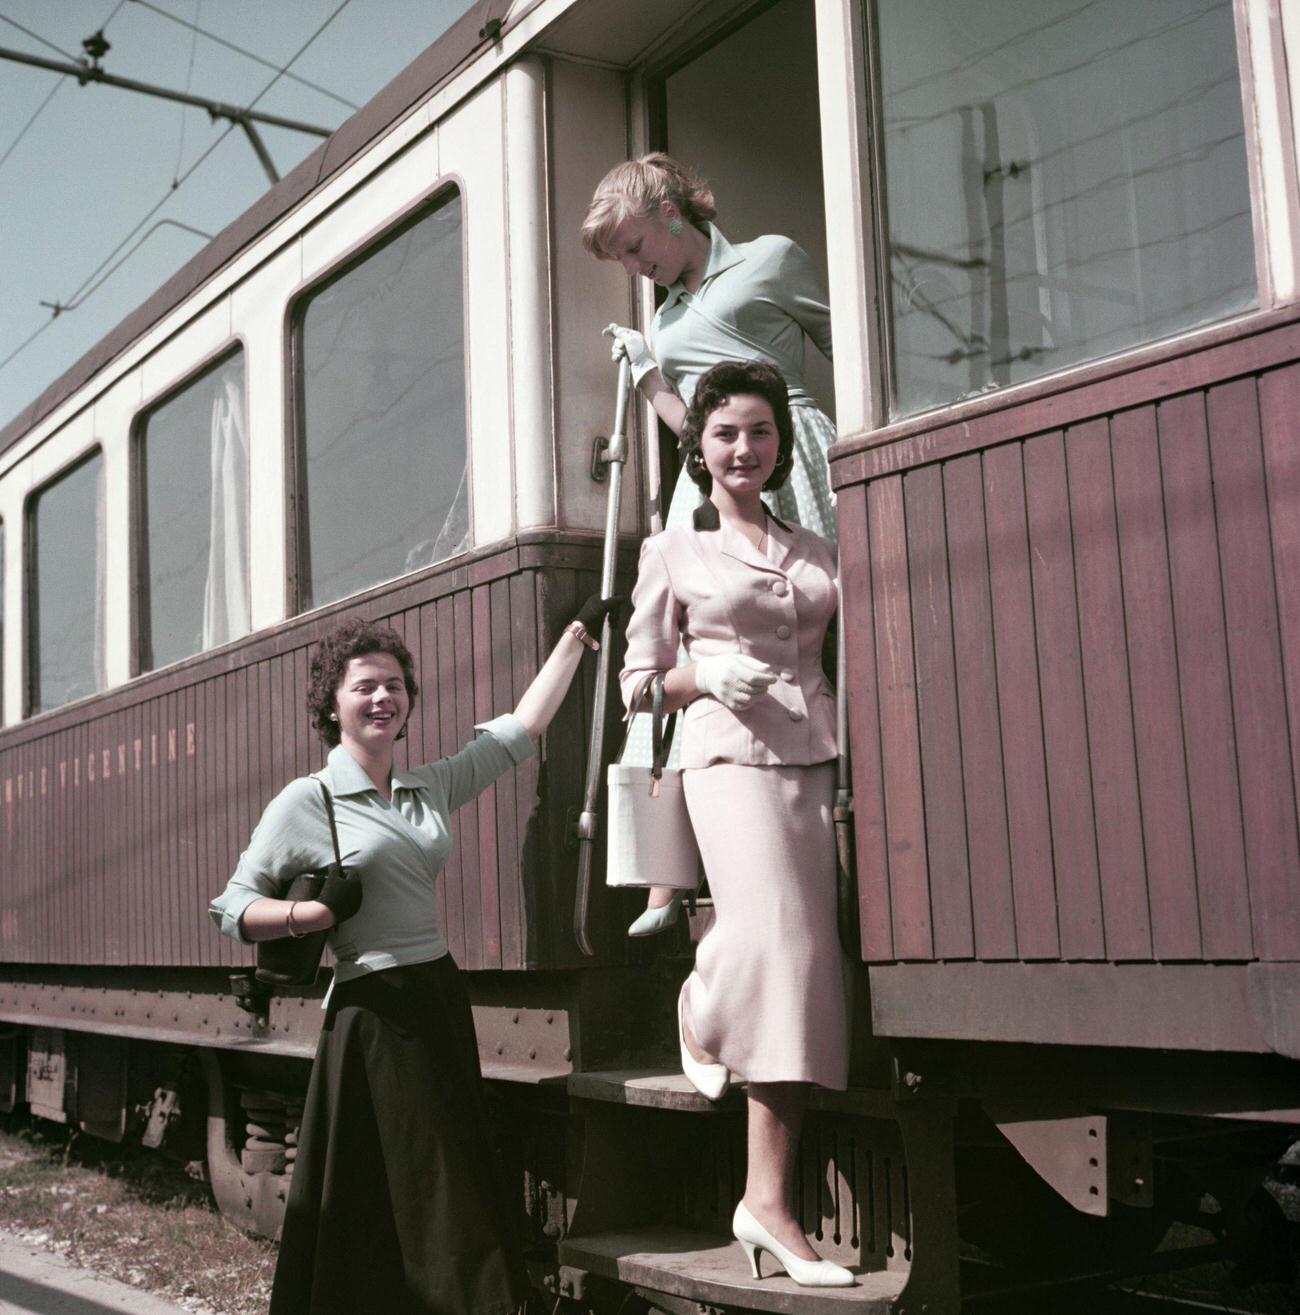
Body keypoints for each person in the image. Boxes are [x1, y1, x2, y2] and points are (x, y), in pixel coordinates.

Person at [208, 597, 619, 1315]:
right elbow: (234, 907)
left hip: (436, 997)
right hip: (369, 1016)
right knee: (392, 1189)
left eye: (393, 685)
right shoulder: (309, 801)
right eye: (363, 685)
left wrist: (578, 637)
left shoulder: (424, 787)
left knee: (448, 1173)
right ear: (333, 705)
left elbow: (520, 732)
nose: (381, 696)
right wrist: (311, 914)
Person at [619, 360, 852, 1288]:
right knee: (774, 950)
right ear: (700, 449)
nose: (744, 448)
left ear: (778, 446)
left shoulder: (816, 549)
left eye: (759, 432)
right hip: (722, 759)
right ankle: (702, 1008)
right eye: (725, 434)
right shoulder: (673, 550)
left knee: (809, 969)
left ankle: (766, 1202)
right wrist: (705, 675)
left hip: (815, 761)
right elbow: (639, 684)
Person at [581, 152, 837, 936]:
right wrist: (649, 373)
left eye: (633, 245)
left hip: (791, 457)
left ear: (669, 212)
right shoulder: (664, 314)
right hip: (714, 477)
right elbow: (695, 428)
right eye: (621, 256)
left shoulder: (770, 260)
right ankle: (667, 874)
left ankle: (825, 781)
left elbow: (850, 339)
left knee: (808, 627)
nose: (633, 265)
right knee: (694, 655)